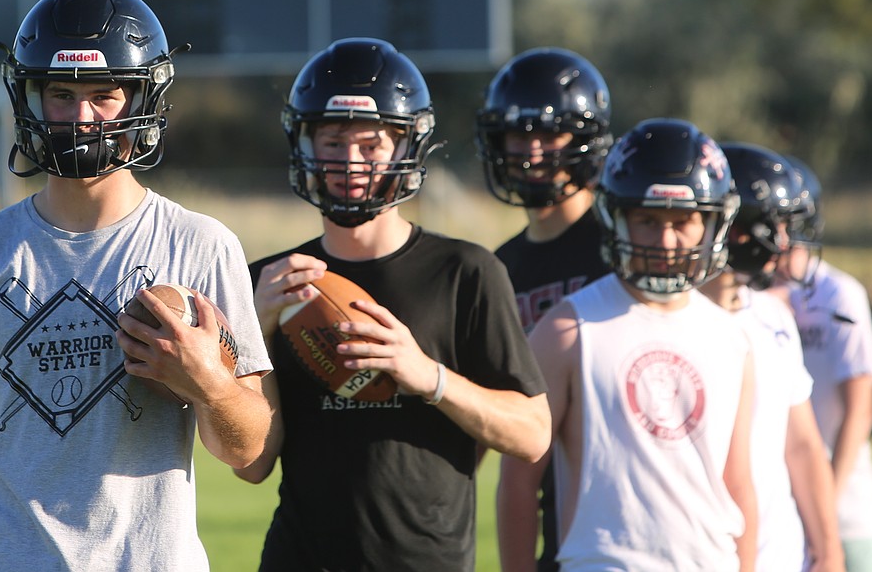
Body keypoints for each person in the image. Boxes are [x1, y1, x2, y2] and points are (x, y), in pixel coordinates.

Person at [0, 0, 273, 572]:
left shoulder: (201, 246)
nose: (82, 116)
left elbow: (248, 451)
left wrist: (210, 384)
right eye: (61, 94)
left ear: (144, 97)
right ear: (29, 99)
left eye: (105, 93)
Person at [235, 37, 551, 571]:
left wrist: (428, 376)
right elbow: (250, 466)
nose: (350, 162)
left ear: (406, 148)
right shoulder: (267, 282)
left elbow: (532, 433)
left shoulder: (466, 272)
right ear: (304, 146)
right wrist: (255, 331)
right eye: (332, 141)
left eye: (371, 144)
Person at [499, 118, 758, 570]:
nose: (666, 239)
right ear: (615, 217)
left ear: (714, 222)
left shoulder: (732, 337)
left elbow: (738, 485)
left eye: (684, 220)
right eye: (646, 219)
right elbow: (519, 480)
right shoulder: (569, 327)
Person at [475, 47, 613, 571]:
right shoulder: (498, 267)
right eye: (517, 134)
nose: (530, 151)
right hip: (548, 504)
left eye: (547, 133)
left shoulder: (623, 248)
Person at [703, 142, 842, 571]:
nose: (783, 244)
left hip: (782, 555)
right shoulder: (677, 323)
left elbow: (802, 445)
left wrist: (829, 550)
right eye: (771, 227)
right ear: (732, 225)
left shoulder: (772, 315)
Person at [778, 156, 872, 572]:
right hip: (779, 505)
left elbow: (860, 410)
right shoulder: (748, 301)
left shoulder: (838, 294)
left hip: (844, 507)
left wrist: (825, 499)